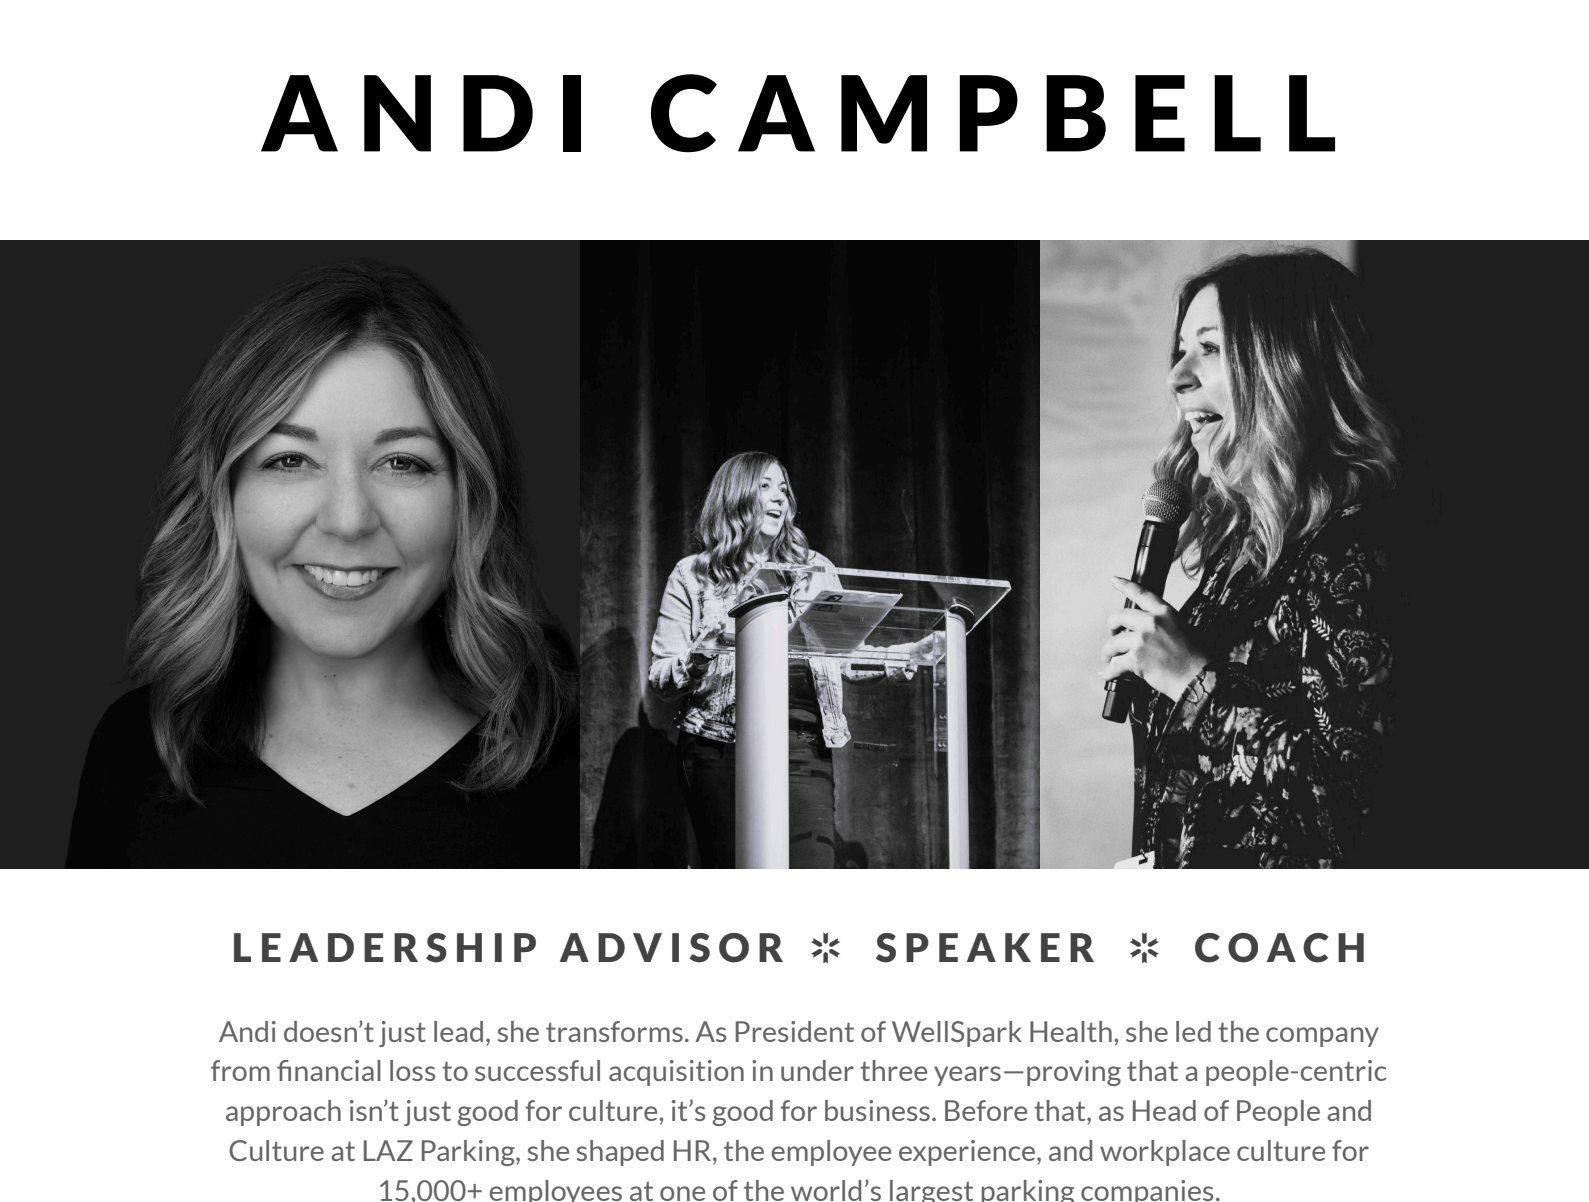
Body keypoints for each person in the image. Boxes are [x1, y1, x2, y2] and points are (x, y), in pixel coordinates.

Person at [66, 261, 577, 867]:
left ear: (472, 499)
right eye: (289, 461)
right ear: (222, 494)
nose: (347, 519)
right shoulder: (134, 749)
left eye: (402, 463)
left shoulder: (576, 759)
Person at [1100, 249, 1399, 869]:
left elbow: (1354, 817)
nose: (1177, 377)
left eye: (1210, 349)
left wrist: (1193, 681)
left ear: (1287, 369)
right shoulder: (1246, 560)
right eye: (1181, 349)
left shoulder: (1355, 557)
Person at [649, 452, 936, 869]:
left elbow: (843, 655)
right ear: (735, 496)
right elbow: (662, 676)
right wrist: (708, 645)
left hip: (803, 748)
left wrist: (907, 654)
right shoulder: (694, 574)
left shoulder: (816, 569)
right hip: (721, 750)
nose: (779, 498)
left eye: (783, 489)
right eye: (765, 487)